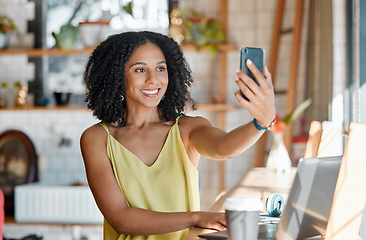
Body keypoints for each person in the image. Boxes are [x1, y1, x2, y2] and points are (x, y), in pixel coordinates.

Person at [80, 31, 276, 240]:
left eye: (160, 68)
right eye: (140, 69)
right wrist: (196, 218)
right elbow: (121, 219)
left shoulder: (186, 129)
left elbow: (223, 147)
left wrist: (261, 123)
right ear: (117, 75)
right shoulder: (97, 139)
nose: (152, 79)